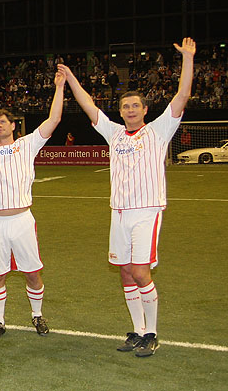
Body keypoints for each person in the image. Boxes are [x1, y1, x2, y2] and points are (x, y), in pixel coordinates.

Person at [58, 37, 196, 357]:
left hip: (146, 211)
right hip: (118, 212)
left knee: (140, 272)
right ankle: (137, 330)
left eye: (135, 106)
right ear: (120, 112)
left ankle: (152, 333)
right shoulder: (115, 133)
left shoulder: (158, 130)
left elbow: (182, 95)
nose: (130, 110)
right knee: (124, 271)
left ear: (145, 110)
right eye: (125, 106)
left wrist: (188, 58)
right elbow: (88, 105)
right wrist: (71, 79)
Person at [0, 69, 66, 341]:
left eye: (2, 121)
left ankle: (37, 315)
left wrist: (59, 87)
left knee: (32, 273)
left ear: (13, 125)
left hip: (22, 221)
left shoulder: (27, 145)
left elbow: (54, 119)